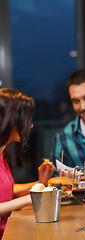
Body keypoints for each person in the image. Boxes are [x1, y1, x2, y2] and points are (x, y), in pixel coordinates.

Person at [0, 88, 55, 237]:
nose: (30, 125)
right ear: (10, 119)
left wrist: (39, 183)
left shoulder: (2, 155)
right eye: (26, 119)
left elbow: (6, 190)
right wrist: (29, 199)